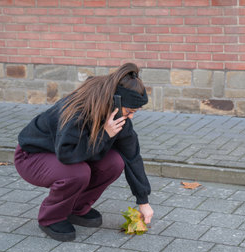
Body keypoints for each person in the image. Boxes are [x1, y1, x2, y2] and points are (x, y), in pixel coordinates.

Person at [14, 63, 153, 241]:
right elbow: (67, 154)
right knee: (78, 173)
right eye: (130, 111)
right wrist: (104, 134)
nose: (131, 116)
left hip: (66, 156)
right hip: (32, 157)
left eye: (135, 112)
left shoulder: (118, 117)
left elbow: (132, 157)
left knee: (115, 163)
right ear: (116, 100)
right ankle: (51, 217)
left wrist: (143, 201)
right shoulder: (78, 109)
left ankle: (76, 209)